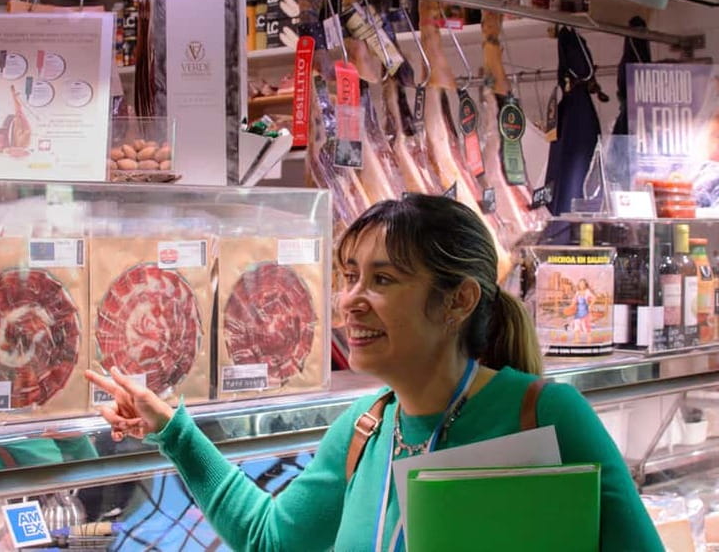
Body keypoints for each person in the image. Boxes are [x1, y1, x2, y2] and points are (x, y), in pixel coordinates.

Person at [87, 194, 664, 551]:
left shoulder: (543, 415)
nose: (350, 301)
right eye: (348, 277)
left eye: (383, 281)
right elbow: (272, 541)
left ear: (458, 300)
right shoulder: (362, 432)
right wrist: (174, 432)